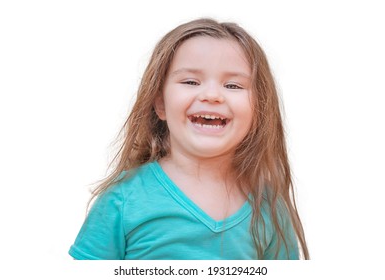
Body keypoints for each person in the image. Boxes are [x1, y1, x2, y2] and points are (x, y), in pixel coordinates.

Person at [69, 18, 309, 260]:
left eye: (233, 85)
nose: (212, 95)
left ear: (259, 110)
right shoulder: (121, 199)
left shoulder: (269, 206)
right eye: (191, 82)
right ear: (160, 104)